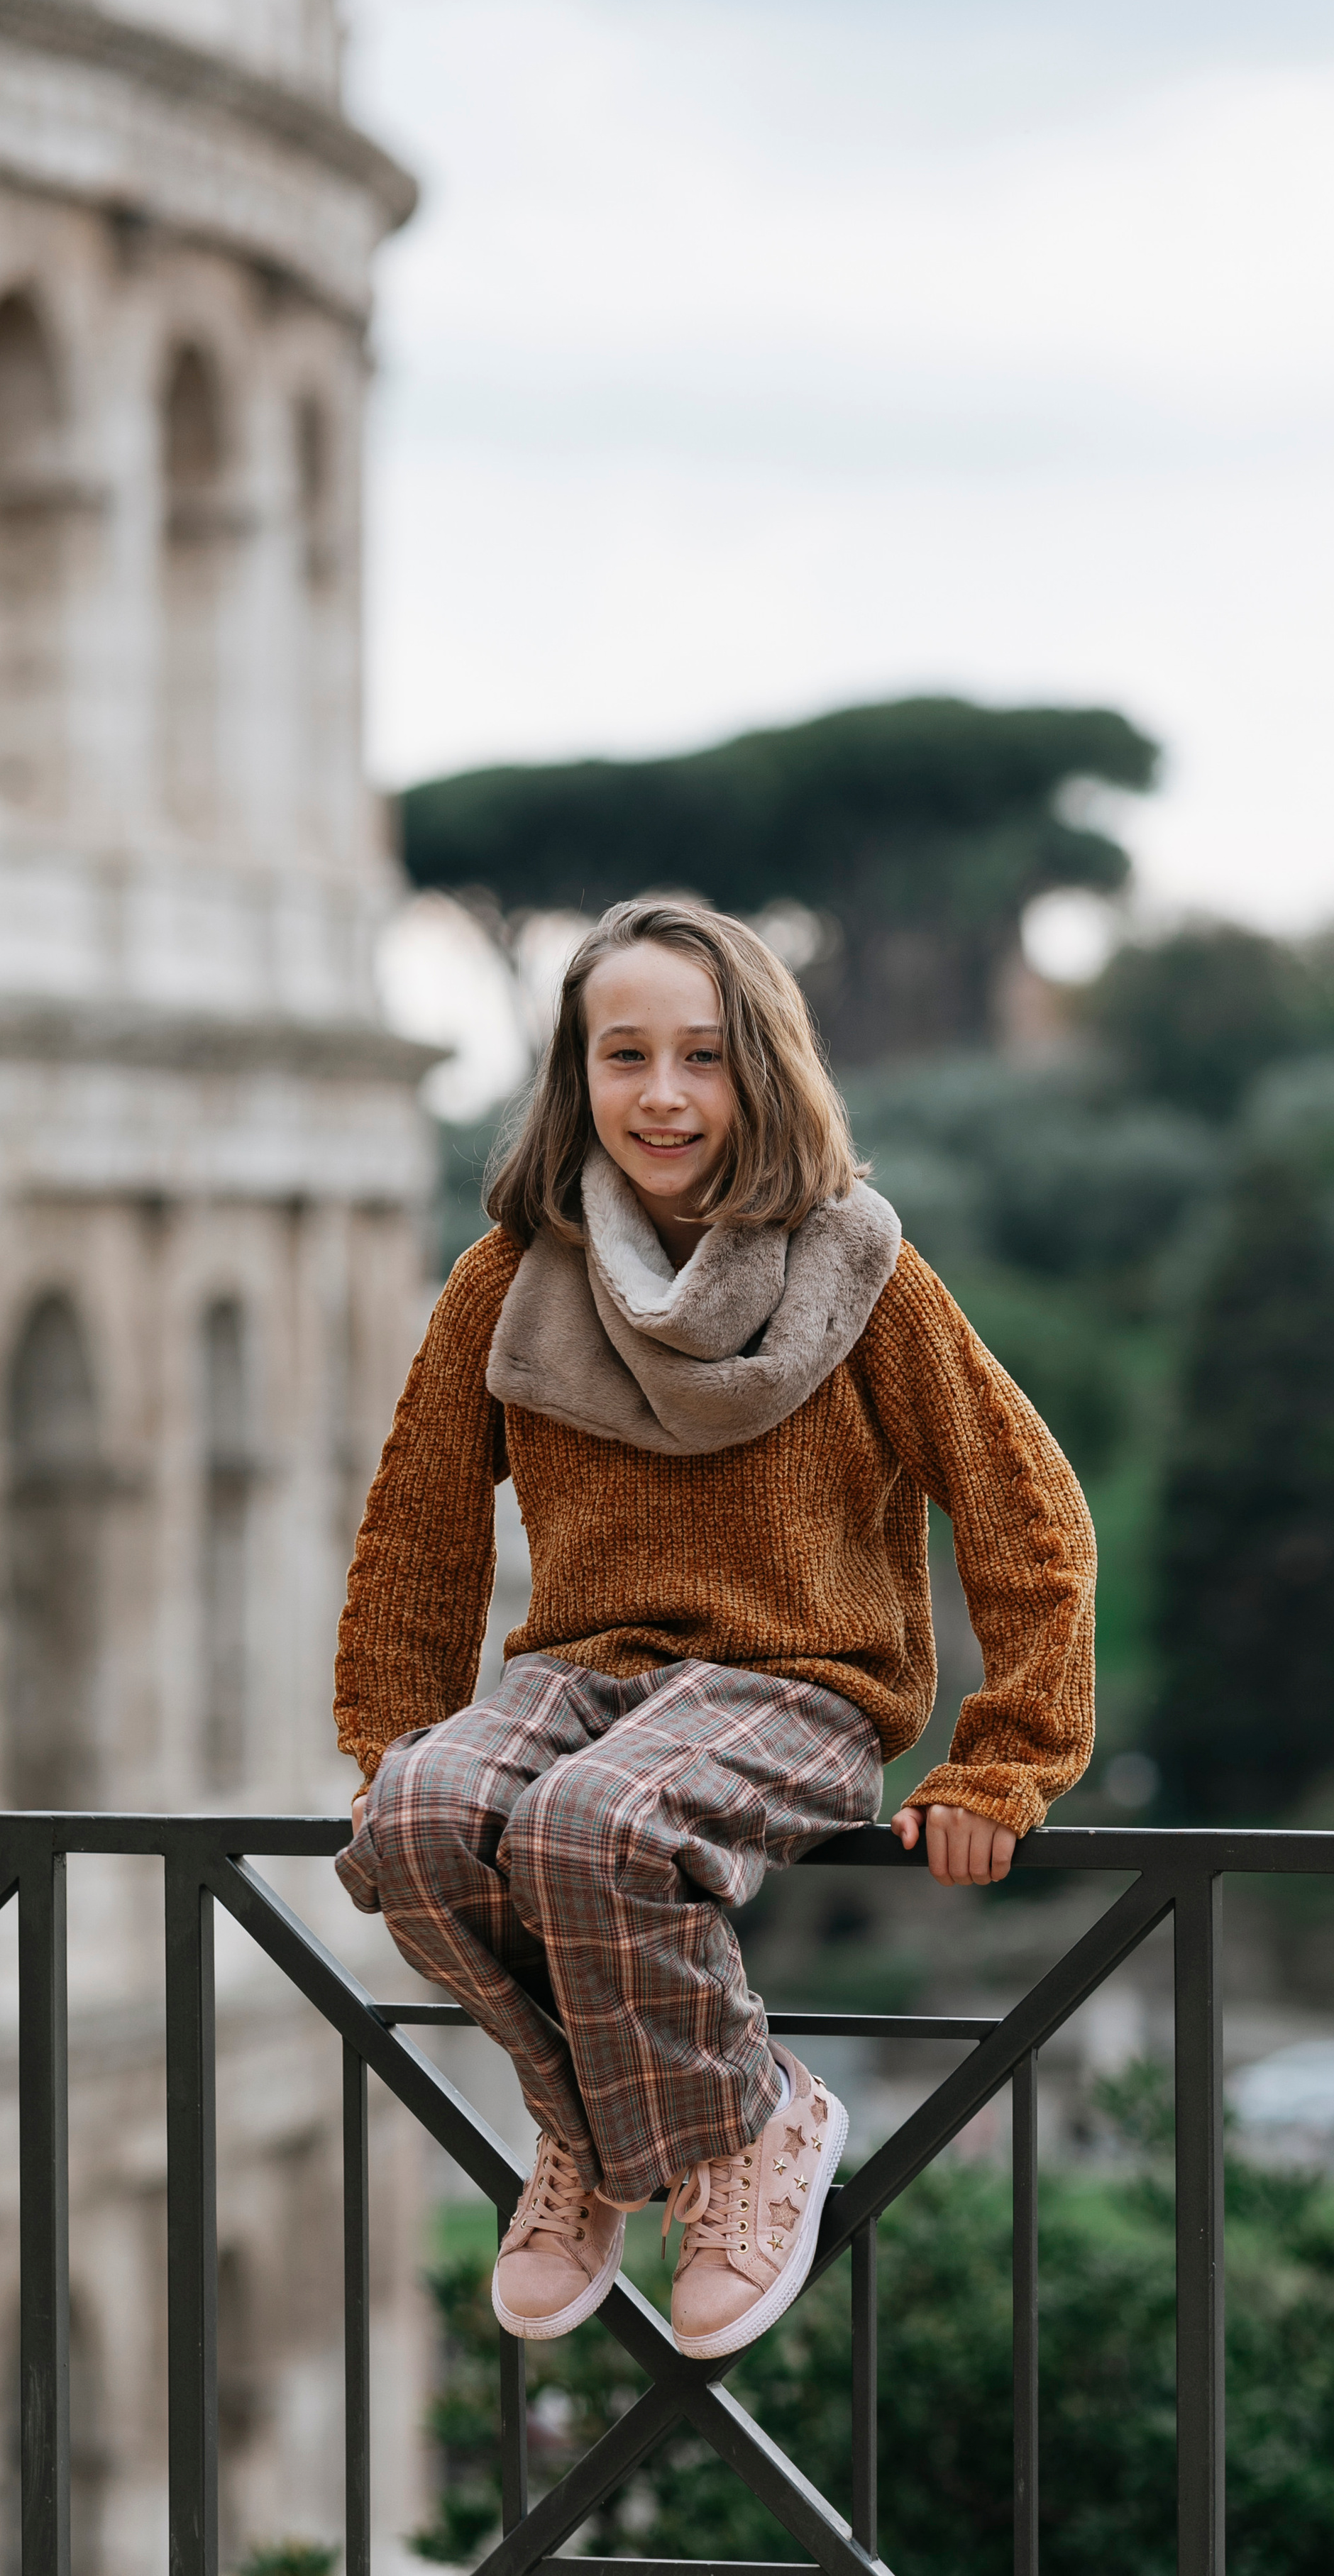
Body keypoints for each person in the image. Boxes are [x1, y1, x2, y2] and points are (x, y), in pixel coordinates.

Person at [334, 897, 1094, 2359]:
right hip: (579, 1676)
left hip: (796, 1682)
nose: (664, 1095)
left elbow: (1026, 1512)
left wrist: (1005, 1761)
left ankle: (754, 2126)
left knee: (587, 1828)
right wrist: (387, 1738)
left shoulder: (865, 1274)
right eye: (625, 1056)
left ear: (763, 1069)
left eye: (702, 1056)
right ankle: (601, 2142)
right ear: (575, 1079)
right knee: (418, 1822)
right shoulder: (504, 1283)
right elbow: (417, 1535)